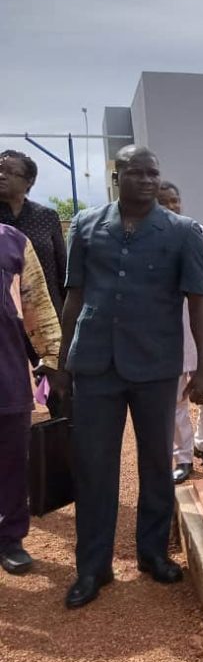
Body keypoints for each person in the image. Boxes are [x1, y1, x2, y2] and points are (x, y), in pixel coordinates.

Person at [60, 145, 203, 609]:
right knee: (93, 466)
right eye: (136, 172)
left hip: (155, 365)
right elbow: (74, 296)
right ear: (118, 175)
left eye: (153, 173)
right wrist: (63, 363)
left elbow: (199, 304)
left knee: (156, 463)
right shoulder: (85, 225)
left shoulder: (183, 232)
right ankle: (93, 567)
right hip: (95, 364)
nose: (147, 180)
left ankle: (152, 553)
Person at [0, 224, 64, 576]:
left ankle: (10, 538)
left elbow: (36, 303)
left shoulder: (13, 242)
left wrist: (51, 356)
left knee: (12, 459)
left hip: (6, 373)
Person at [157, 182, 203, 484]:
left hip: (202, 322)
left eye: (175, 201)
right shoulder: (150, 238)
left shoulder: (199, 233)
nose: (172, 207)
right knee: (175, 399)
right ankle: (183, 456)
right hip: (167, 329)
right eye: (164, 202)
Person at [1, 150, 68, 419]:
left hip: (45, 321)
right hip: (7, 324)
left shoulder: (46, 216)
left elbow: (63, 271)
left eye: (10, 172)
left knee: (60, 392)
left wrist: (65, 324)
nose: (1, 175)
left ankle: (63, 439)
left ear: (29, 181)